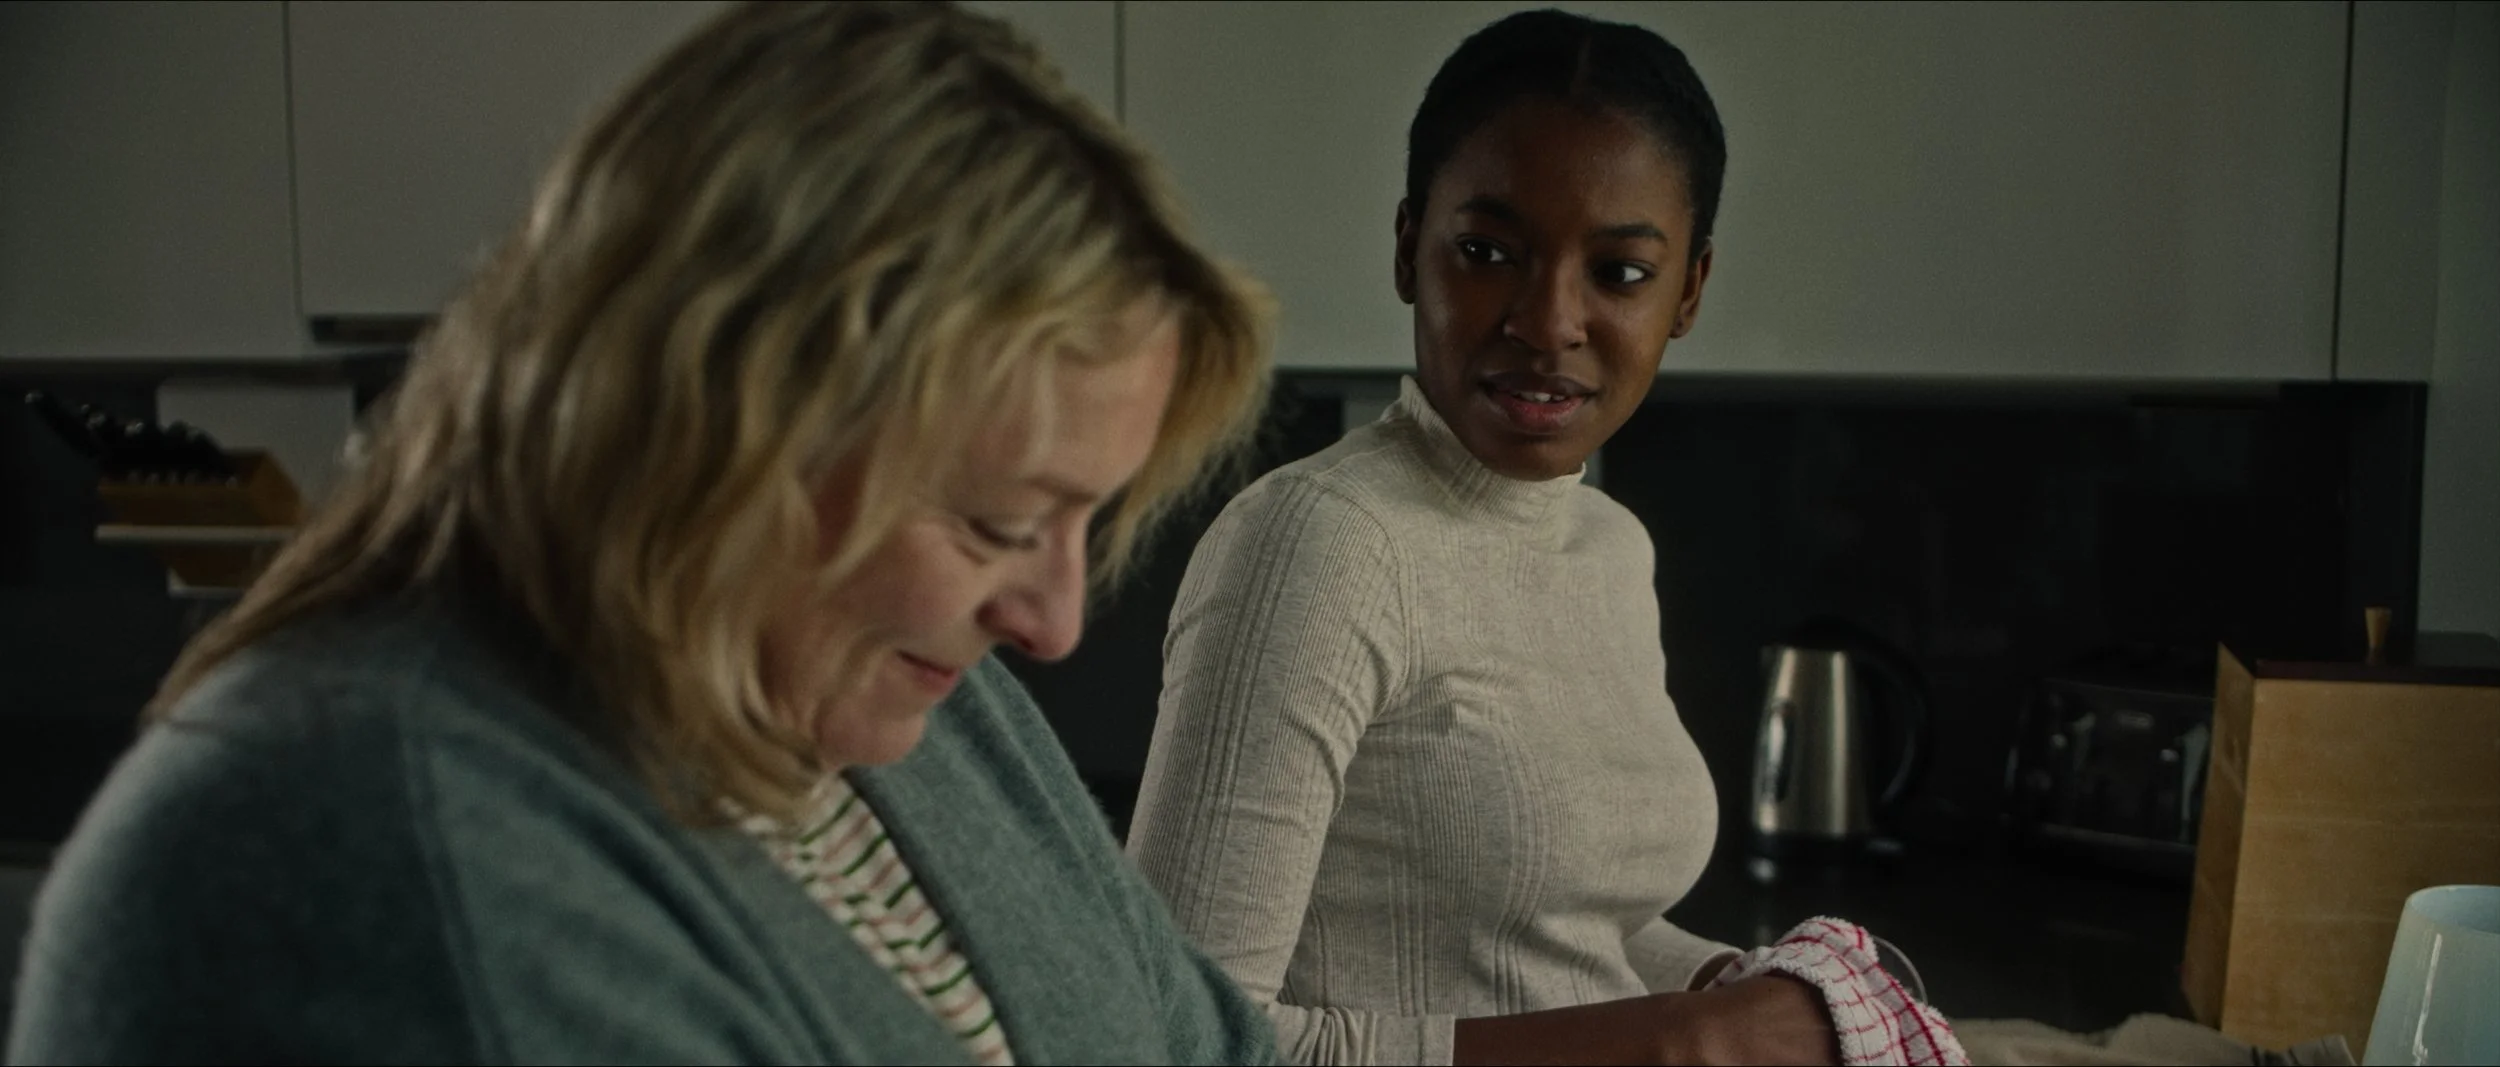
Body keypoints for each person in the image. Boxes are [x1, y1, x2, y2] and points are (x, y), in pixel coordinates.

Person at [7, 3, 1280, 1062]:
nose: (1053, 621)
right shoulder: (355, 854)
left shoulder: (905, 708)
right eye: (998, 522)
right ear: (717, 430)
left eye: (1079, 522)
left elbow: (1202, 1041)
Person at [1124, 10, 1840, 1066]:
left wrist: (1735, 986)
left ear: (1687, 292)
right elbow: (1173, 1033)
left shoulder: (1609, 548)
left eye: (1621, 273)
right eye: (1487, 251)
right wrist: (1682, 1041)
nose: (1548, 320)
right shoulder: (1318, 545)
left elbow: (1563, 926)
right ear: (1410, 247)